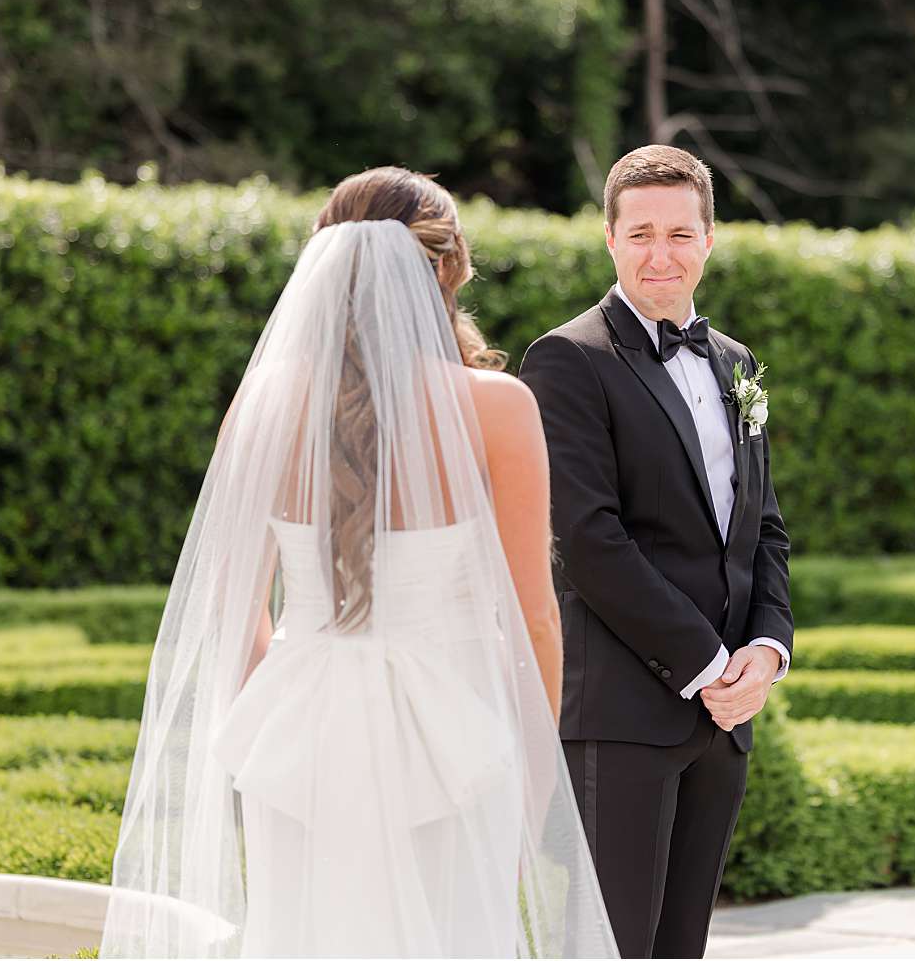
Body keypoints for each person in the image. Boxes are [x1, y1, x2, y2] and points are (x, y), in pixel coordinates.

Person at [99, 168, 618, 959]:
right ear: (446, 270)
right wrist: (534, 780)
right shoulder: (498, 408)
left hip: (298, 732)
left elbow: (232, 612)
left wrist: (290, 706)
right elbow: (536, 617)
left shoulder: (264, 401)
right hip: (451, 741)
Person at [519, 145, 795, 959]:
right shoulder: (566, 360)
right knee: (610, 948)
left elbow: (765, 529)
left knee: (682, 948)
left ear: (709, 240)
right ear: (610, 241)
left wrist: (767, 653)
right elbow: (588, 542)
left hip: (725, 723)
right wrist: (711, 666)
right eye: (640, 234)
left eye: (680, 233)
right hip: (620, 717)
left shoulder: (736, 362)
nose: (660, 254)